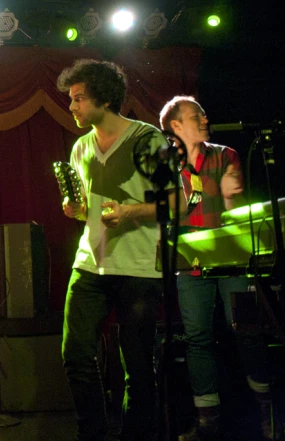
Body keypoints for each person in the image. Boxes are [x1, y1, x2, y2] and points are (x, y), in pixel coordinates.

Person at [58, 59, 175, 441]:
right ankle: (91, 434)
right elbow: (89, 212)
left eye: (78, 99)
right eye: (71, 99)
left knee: (138, 366)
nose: (72, 106)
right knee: (75, 355)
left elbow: (177, 203)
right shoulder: (81, 147)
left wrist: (130, 212)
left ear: (105, 99)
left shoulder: (147, 140)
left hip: (139, 268)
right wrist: (77, 211)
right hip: (90, 265)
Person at [160, 96, 272, 441]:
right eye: (196, 116)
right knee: (198, 339)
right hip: (188, 260)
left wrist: (228, 197)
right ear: (176, 126)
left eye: (204, 113)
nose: (205, 119)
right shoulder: (164, 163)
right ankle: (208, 421)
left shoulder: (225, 155)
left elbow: (232, 209)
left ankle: (268, 412)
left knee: (247, 329)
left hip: (232, 256)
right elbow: (165, 210)